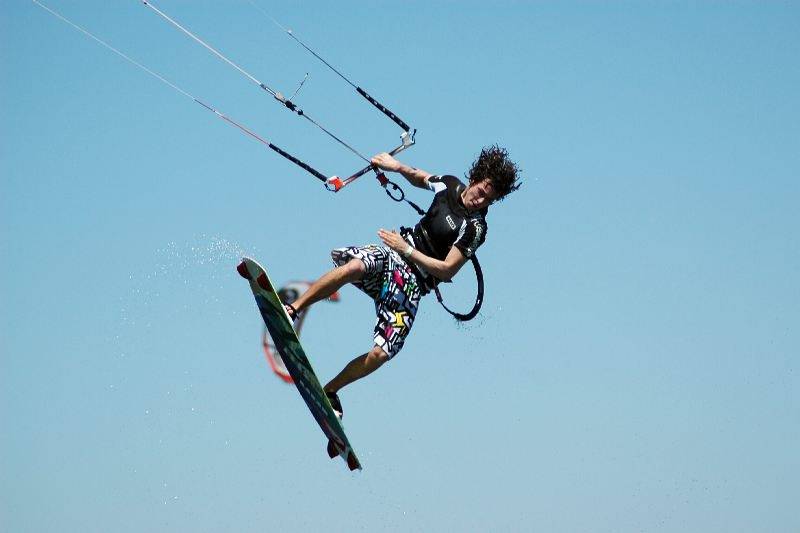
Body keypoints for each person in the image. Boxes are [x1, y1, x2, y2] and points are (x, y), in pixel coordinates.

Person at [284, 145, 520, 418]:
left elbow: (446, 270)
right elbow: (421, 177)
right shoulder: (449, 185)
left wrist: (406, 250)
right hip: (392, 257)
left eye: (489, 200)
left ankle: (330, 390)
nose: (480, 201)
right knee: (356, 266)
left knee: (382, 353)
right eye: (481, 192)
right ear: (475, 178)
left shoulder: (476, 228)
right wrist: (394, 166)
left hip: (413, 284)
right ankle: (293, 308)